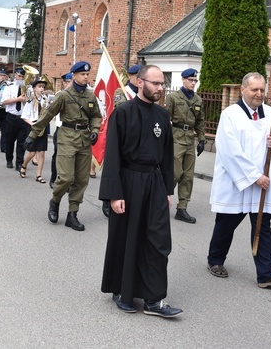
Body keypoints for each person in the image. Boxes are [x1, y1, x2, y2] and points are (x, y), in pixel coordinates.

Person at [99, 64, 182, 318]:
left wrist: (168, 189)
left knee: (158, 241)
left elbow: (167, 155)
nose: (160, 87)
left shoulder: (161, 116)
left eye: (162, 83)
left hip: (154, 182)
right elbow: (112, 155)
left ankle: (153, 300)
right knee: (126, 237)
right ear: (140, 82)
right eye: (155, 83)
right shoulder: (123, 113)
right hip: (128, 181)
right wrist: (114, 193)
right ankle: (121, 291)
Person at [206, 72, 271, 288]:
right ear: (243, 90)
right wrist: (254, 177)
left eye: (262, 90)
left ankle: (266, 274)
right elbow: (229, 151)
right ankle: (215, 260)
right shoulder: (230, 115)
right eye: (254, 89)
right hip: (236, 182)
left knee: (262, 227)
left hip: (263, 185)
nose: (259, 94)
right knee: (226, 224)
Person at [25, 61, 102, 232]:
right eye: (82, 74)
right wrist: (33, 134)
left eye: (87, 74)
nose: (86, 77)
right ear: (73, 75)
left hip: (84, 140)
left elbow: (96, 116)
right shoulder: (64, 95)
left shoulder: (90, 96)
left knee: (82, 179)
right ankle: (55, 201)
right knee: (67, 177)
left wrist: (95, 130)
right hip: (67, 138)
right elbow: (47, 115)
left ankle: (72, 214)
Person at [165, 68, 206, 224]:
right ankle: (162, 202)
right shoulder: (173, 97)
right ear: (183, 80)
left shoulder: (198, 100)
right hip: (176, 138)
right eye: (190, 80)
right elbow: (165, 118)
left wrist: (201, 140)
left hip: (189, 140)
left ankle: (182, 208)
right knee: (175, 173)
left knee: (188, 176)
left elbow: (200, 121)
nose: (193, 83)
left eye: (195, 80)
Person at [100, 64, 141, 218]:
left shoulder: (144, 94)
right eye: (136, 75)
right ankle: (107, 198)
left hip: (137, 138)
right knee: (113, 167)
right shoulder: (122, 92)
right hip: (122, 135)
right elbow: (121, 110)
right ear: (130, 76)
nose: (139, 79)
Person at [20, 77, 49, 183]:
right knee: (32, 153)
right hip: (33, 125)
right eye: (39, 87)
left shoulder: (46, 99)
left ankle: (39, 175)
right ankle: (24, 165)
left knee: (42, 152)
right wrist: (33, 124)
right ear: (34, 88)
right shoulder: (30, 100)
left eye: (43, 87)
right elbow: (24, 116)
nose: (42, 89)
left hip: (43, 127)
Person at [0, 68, 28, 171]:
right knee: (10, 140)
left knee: (22, 142)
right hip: (12, 117)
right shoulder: (9, 87)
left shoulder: (27, 88)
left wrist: (26, 99)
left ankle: (19, 163)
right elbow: (4, 101)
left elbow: (29, 103)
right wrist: (18, 99)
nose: (21, 78)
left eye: (22, 76)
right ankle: (9, 159)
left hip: (23, 118)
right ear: (15, 76)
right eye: (19, 76)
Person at [49, 72, 72, 187]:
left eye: (71, 81)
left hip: (72, 130)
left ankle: (66, 181)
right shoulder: (59, 94)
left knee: (71, 157)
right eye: (68, 81)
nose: (70, 84)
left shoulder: (77, 95)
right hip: (61, 128)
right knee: (57, 155)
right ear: (64, 83)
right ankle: (54, 178)